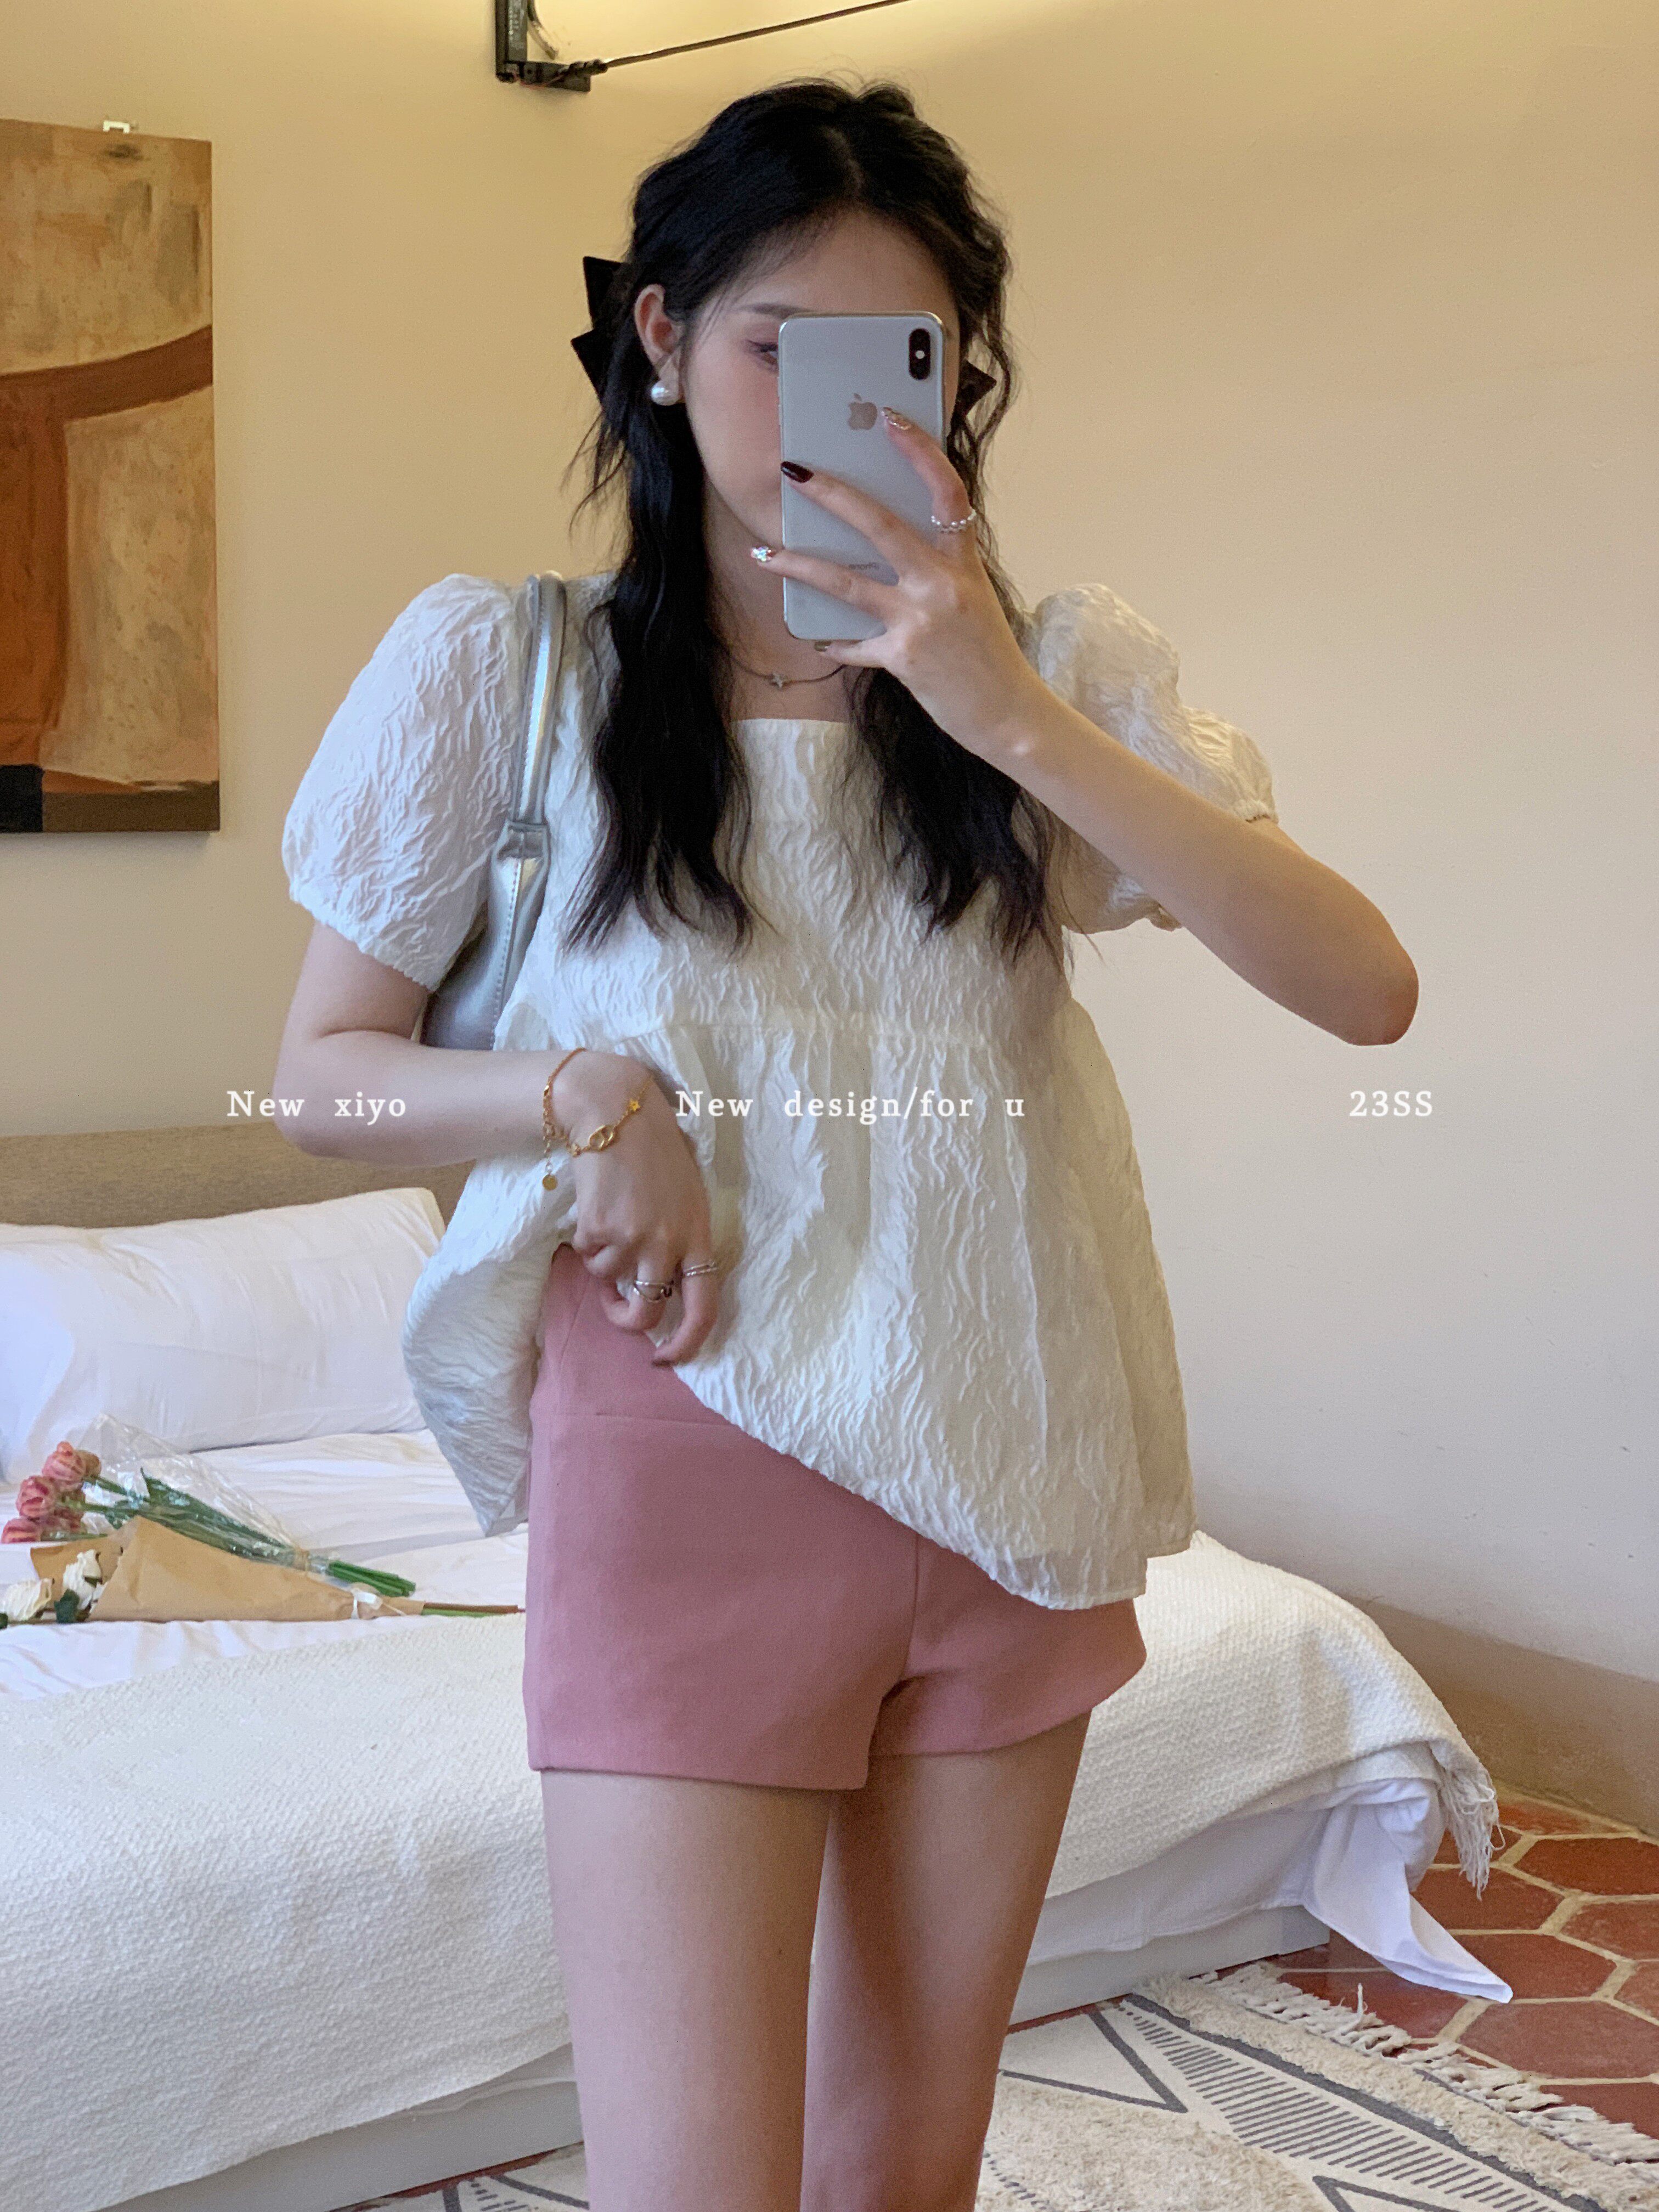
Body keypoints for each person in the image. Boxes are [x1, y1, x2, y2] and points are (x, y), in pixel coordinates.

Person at [274, 74, 1416, 2212]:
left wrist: (999, 706)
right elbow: (320, 1076)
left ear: (962, 380)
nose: (835, 406)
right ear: (657, 339)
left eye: (904, 359)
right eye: (774, 345)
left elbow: (1364, 989)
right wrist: (581, 1091)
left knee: (908, 2168)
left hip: (1016, 1463)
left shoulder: (1050, 684)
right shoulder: (510, 676)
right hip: (685, 1461)